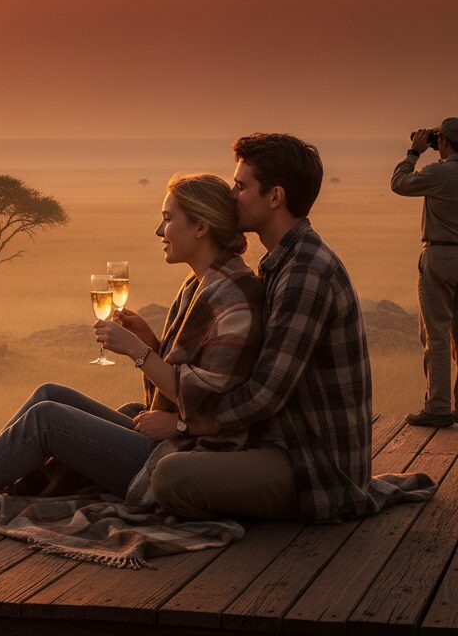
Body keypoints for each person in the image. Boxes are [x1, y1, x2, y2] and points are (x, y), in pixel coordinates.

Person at [0, 173, 263, 531]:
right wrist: (153, 345)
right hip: (174, 439)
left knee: (47, 419)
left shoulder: (232, 297)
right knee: (49, 394)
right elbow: (188, 384)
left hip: (185, 461)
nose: (159, 231)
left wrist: (139, 353)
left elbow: (209, 403)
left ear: (201, 227)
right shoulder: (201, 285)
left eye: (168, 219)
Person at [153, 133, 383, 522]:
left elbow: (264, 394)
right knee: (136, 421)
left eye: (241, 186)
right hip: (278, 443)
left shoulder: (305, 271)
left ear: (275, 197)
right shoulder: (282, 261)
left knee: (171, 477)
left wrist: (189, 422)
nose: (231, 195)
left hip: (312, 466)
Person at [391, 118, 458, 428]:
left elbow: (399, 183)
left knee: (437, 335)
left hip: (440, 255)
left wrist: (414, 151)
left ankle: (439, 406)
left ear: (442, 142)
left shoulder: (438, 173)